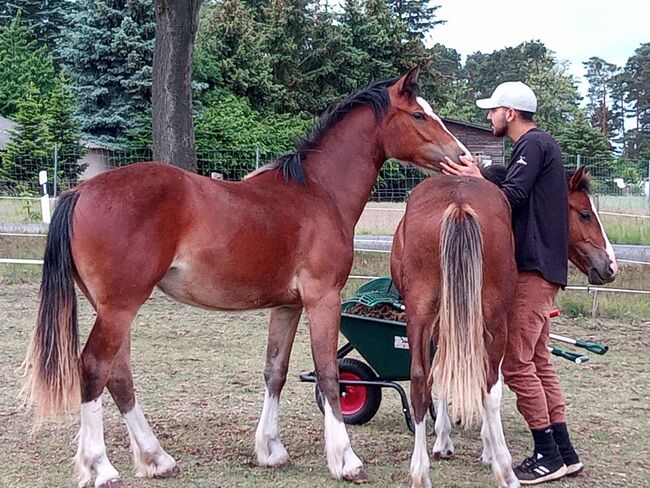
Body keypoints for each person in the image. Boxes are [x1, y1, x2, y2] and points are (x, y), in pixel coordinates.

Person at [440, 81, 582, 485]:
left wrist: (478, 182)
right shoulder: (539, 148)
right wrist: (483, 171)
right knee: (538, 361)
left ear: (511, 114)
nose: (489, 117)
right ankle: (565, 452)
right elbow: (515, 182)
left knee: (517, 364)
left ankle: (545, 454)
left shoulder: (533, 145)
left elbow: (513, 195)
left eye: (493, 111)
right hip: (545, 270)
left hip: (532, 270)